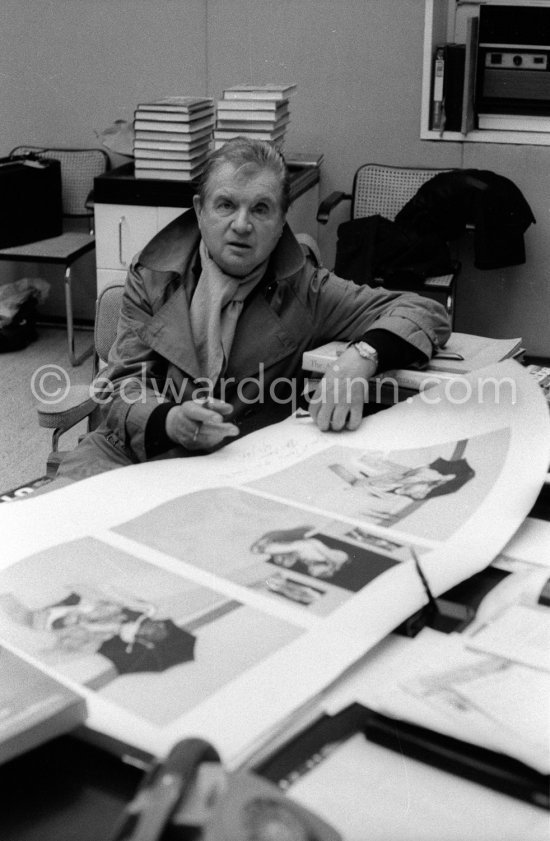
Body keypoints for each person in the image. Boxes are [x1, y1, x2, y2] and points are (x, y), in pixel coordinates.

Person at [57, 137, 451, 481]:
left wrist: (360, 359)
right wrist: (170, 420)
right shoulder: (153, 276)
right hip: (132, 451)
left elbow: (422, 310)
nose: (241, 225)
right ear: (199, 210)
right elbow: (120, 387)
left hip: (236, 463)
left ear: (281, 221)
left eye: (260, 209)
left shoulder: (307, 290)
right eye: (225, 205)